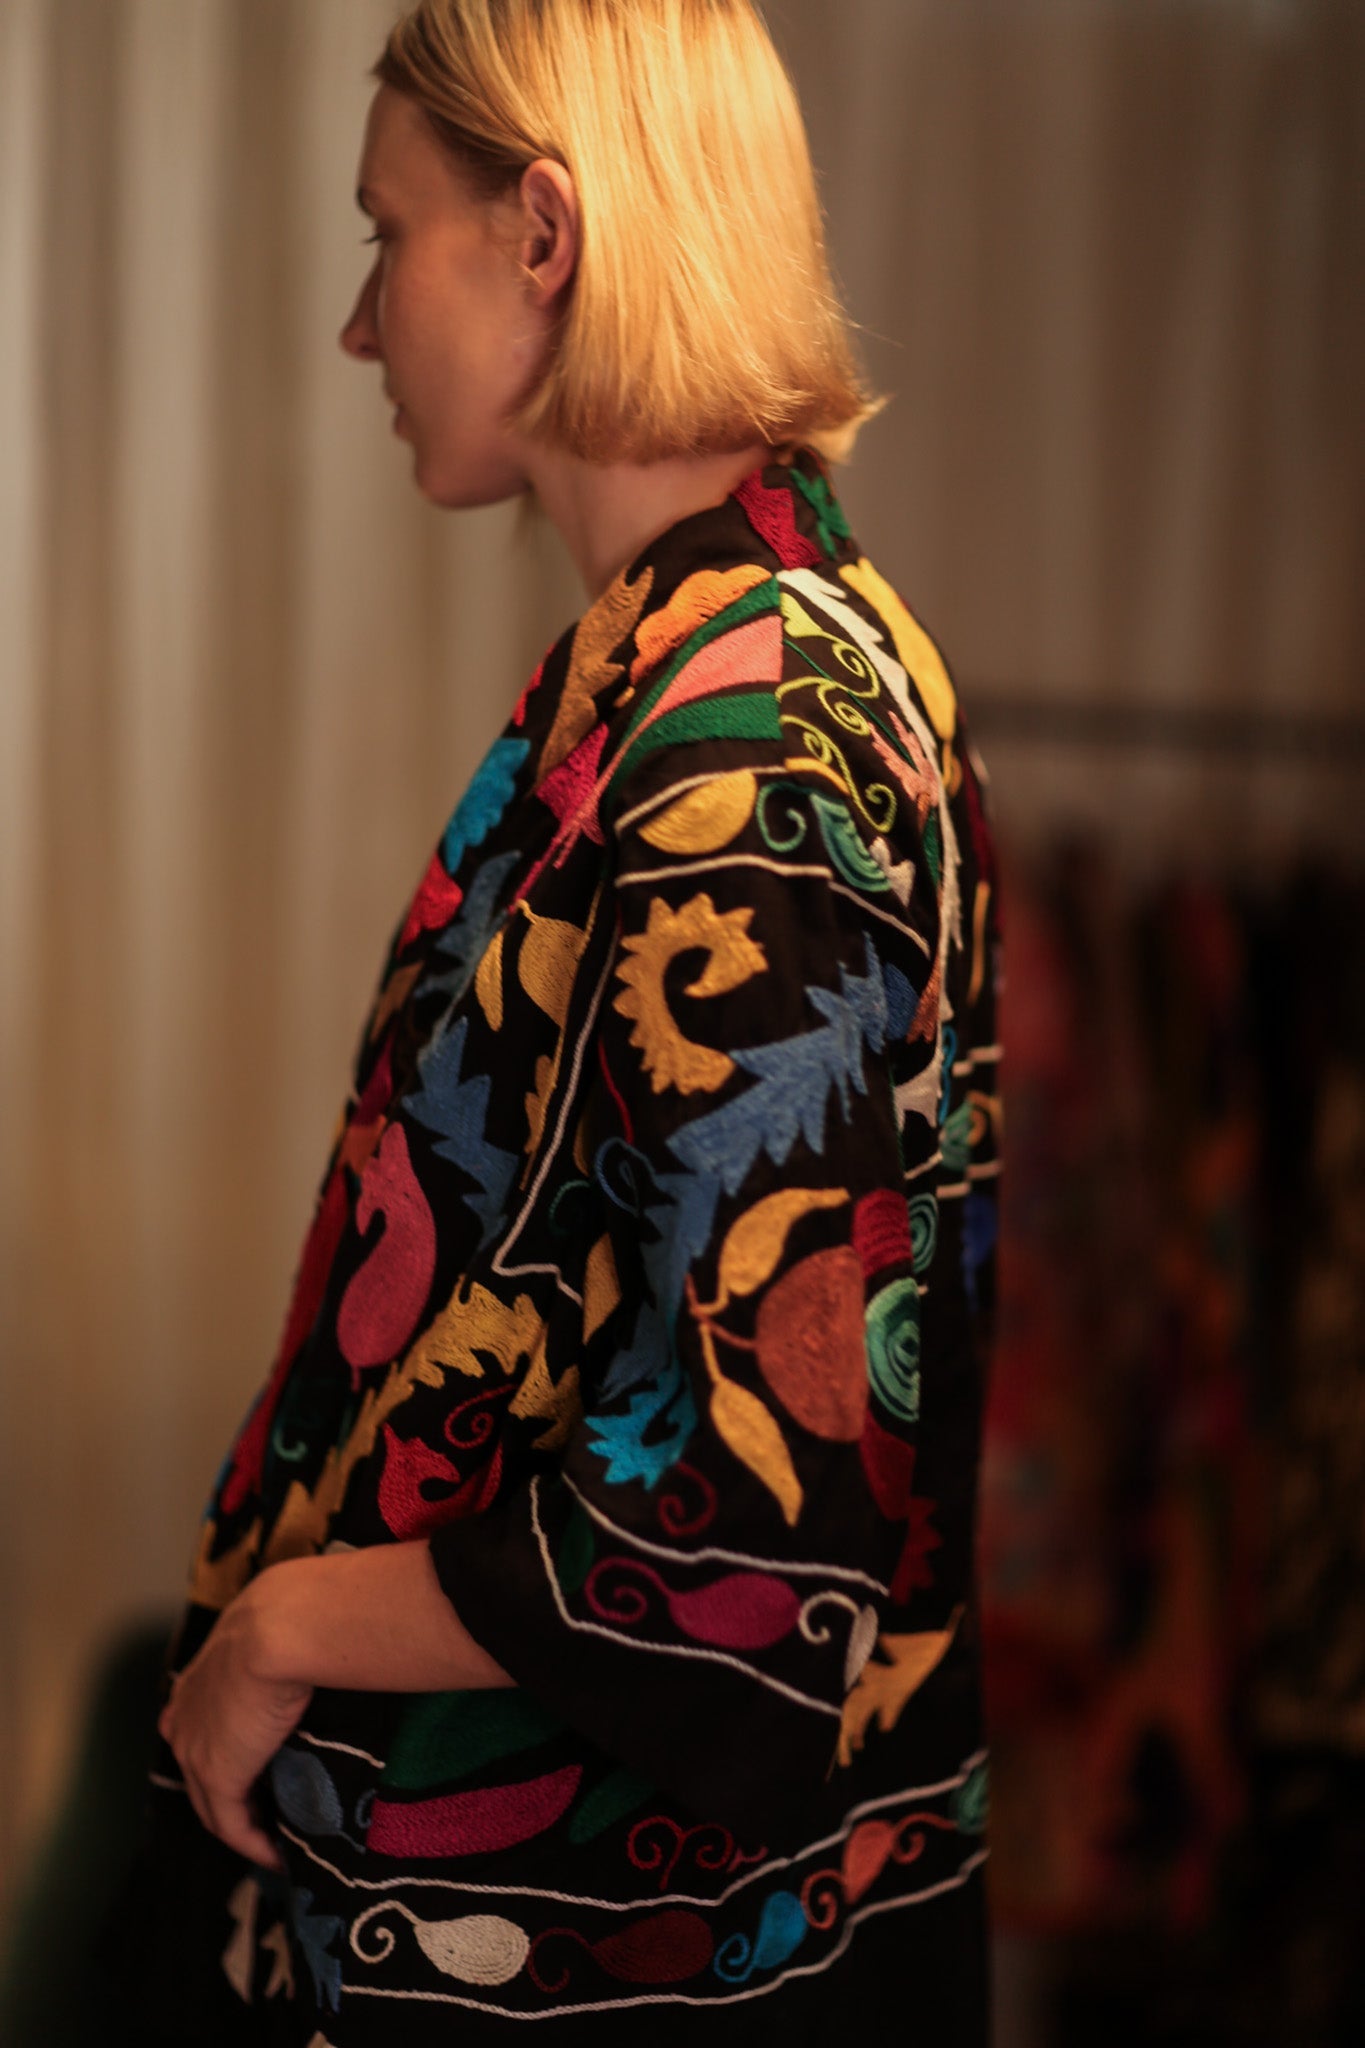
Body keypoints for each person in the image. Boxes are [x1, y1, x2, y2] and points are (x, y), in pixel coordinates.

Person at [103, 2, 1002, 2040]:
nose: (357, 327)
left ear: (541, 235)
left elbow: (747, 1544)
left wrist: (287, 1624)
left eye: (382, 235)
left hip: (611, 1954)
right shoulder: (697, 660)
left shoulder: (746, 741)